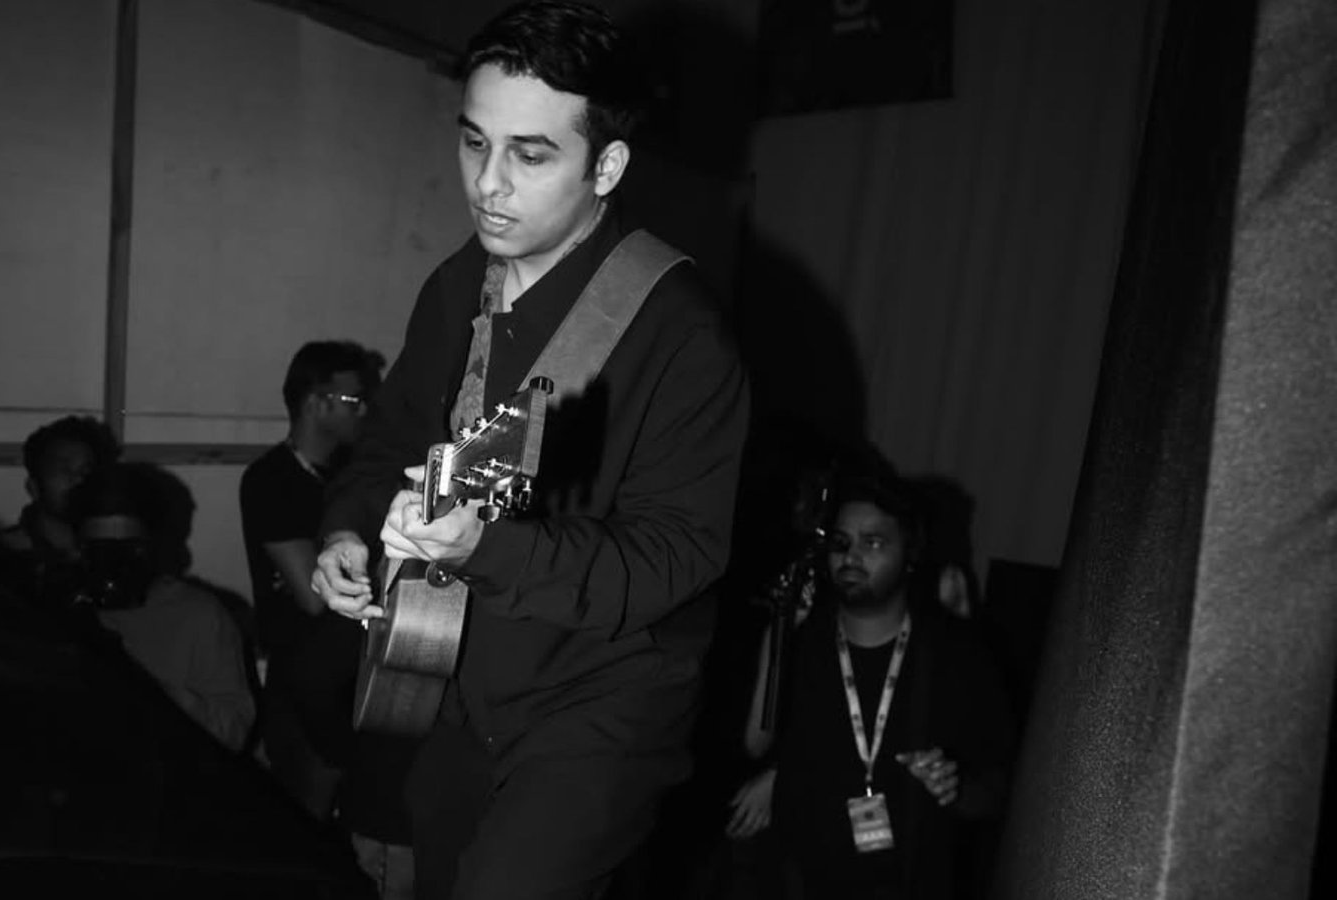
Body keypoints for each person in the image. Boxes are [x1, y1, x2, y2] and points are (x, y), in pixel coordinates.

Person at [310, 3, 750, 897]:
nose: (488, 183)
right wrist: (346, 531)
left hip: (598, 709)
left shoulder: (679, 332)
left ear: (607, 166)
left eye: (531, 154)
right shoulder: (454, 287)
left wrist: (486, 547)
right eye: (475, 142)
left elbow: (676, 557)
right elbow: (390, 440)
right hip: (449, 683)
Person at [726, 471, 1015, 899]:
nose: (851, 556)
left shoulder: (956, 654)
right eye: (841, 542)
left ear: (910, 555)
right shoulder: (802, 638)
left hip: (910, 882)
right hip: (799, 880)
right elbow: (756, 742)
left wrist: (955, 788)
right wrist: (778, 635)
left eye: (873, 542)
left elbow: (999, 790)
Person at [239, 341, 416, 897]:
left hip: (354, 683)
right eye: (355, 401)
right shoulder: (273, 478)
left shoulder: (349, 475)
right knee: (307, 843)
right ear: (317, 402)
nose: (365, 412)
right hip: (303, 688)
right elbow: (312, 598)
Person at [69, 462, 257, 752]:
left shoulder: (199, 616)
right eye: (101, 552)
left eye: (128, 551)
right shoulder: (56, 608)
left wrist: (159, 695)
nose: (115, 568)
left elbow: (233, 732)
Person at [0, 415, 119, 605]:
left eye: (86, 471)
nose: (78, 480)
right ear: (34, 487)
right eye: (64, 470)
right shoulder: (6, 557)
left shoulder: (120, 554)